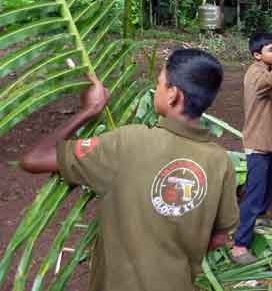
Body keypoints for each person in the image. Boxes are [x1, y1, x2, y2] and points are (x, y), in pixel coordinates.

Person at [20, 49, 239, 291]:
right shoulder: (220, 162)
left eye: (160, 84)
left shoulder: (127, 143)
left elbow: (34, 159)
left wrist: (89, 111)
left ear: (173, 96)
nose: (157, 89)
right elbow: (219, 237)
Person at [231, 33, 272, 264]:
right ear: (257, 55)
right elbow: (268, 84)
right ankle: (239, 245)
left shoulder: (265, 71)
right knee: (254, 193)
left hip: (267, 143)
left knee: (268, 185)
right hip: (257, 145)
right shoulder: (255, 74)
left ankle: (259, 219)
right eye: (271, 49)